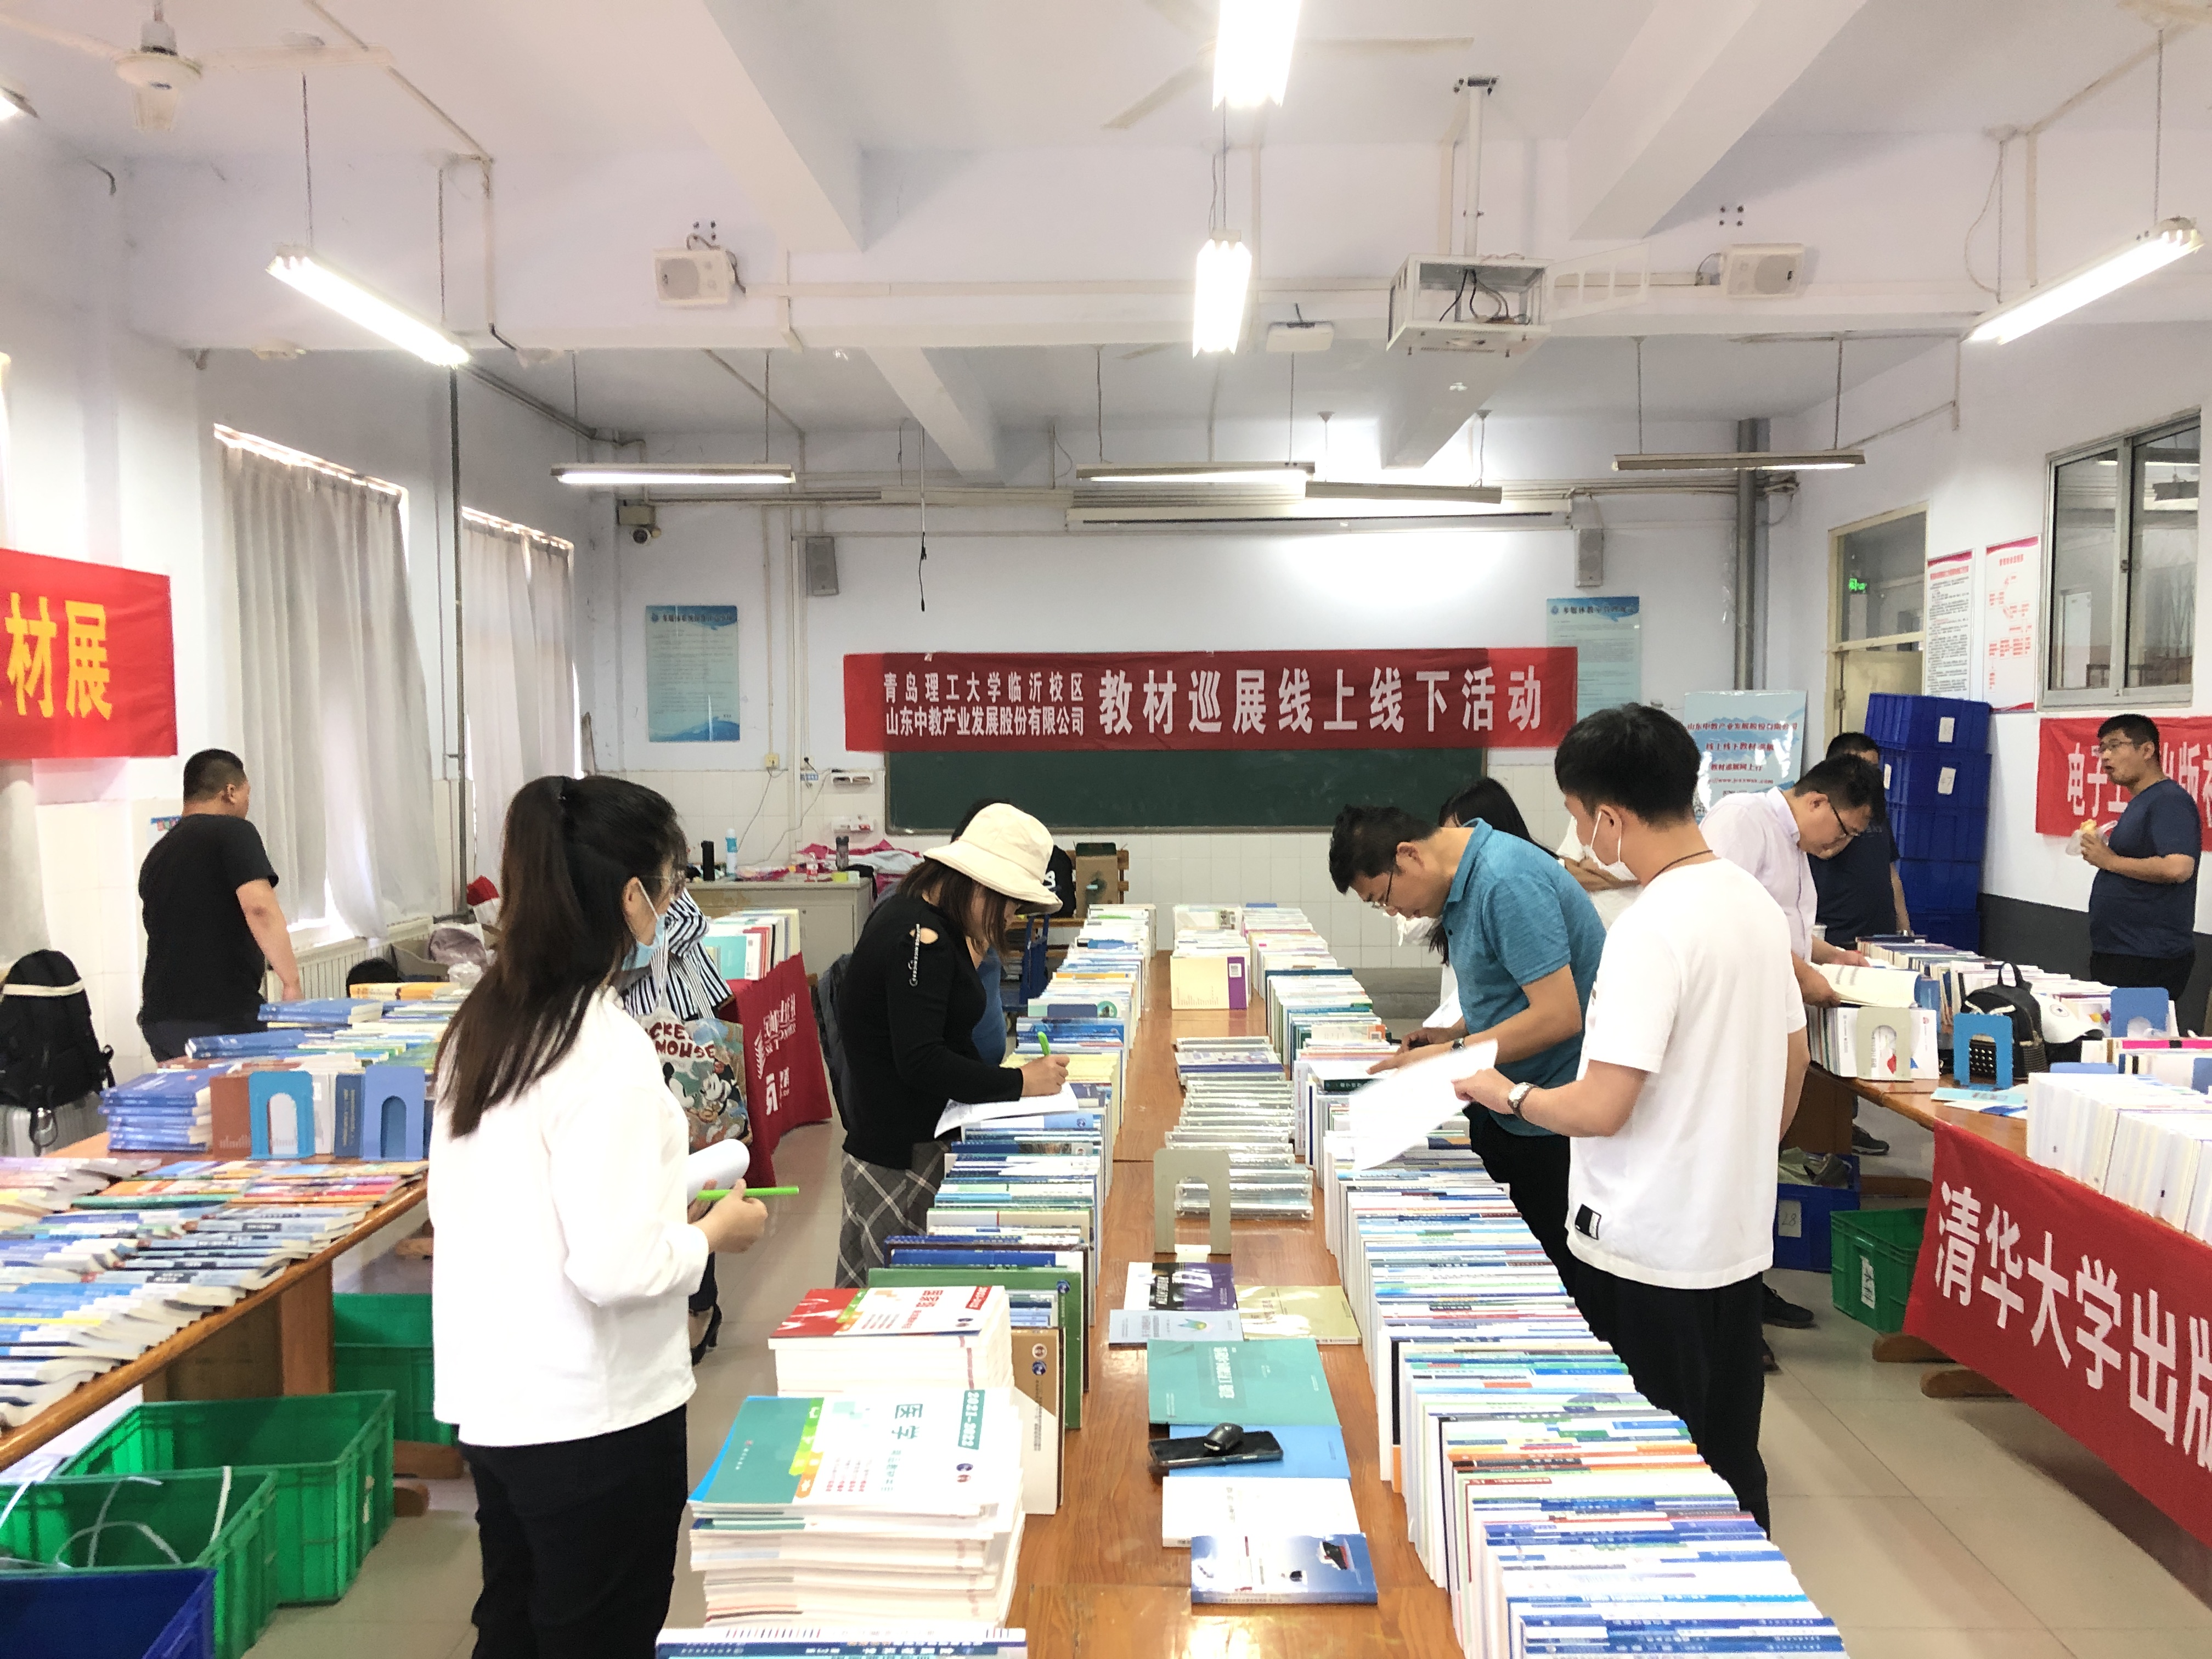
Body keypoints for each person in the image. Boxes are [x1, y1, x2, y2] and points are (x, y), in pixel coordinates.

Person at [430, 775, 769, 1658]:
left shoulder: (488, 1022)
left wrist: (667, 1187)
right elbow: (615, 1267)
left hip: (498, 1401)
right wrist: (713, 1234)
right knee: (599, 1631)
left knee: (515, 1621)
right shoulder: (602, 1046)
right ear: (630, 899)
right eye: (670, 884)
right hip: (594, 1416)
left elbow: (519, 1202)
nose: (674, 902)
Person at [1455, 704, 1808, 1532]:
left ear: (1609, 818)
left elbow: (1602, 1107)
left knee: (1650, 1473)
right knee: (1728, 1454)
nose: (1579, 839)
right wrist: (1738, 1157)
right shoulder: (1753, 903)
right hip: (1733, 1236)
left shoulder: (1651, 927)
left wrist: (1503, 1092)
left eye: (1578, 819)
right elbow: (1794, 1059)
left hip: (1645, 1247)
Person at [1328, 798, 1606, 1291]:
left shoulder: (1504, 882)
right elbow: (1509, 985)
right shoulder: (1463, 880)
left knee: (1548, 1282)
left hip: (1551, 1119)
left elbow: (1560, 1015)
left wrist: (1452, 1055)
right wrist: (1453, 1033)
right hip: (1505, 1100)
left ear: (1409, 855)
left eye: (1383, 898)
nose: (1394, 912)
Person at [834, 803, 1069, 1288]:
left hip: (901, 1142)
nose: (1010, 918)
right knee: (898, 1299)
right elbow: (921, 1060)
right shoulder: (921, 938)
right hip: (901, 1160)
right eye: (1010, 903)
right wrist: (1020, 1083)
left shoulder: (912, 914)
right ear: (979, 885)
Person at [1700, 752, 1878, 1331]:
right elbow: (1720, 919)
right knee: (1729, 1167)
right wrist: (1803, 976)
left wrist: (1834, 957)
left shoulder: (1795, 844)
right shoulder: (1743, 820)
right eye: (1844, 831)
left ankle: (1748, 1289)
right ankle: (1726, 1309)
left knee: (1753, 1170)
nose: (1841, 846)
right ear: (1817, 800)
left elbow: (1787, 930)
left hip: (1771, 1021)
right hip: (1735, 1024)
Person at [617, 887, 749, 1363]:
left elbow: (692, 924)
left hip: (678, 1034)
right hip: (633, 1034)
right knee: (650, 1177)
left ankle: (700, 1305)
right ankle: (684, 1303)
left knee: (692, 1171)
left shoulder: (653, 885)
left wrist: (639, 947)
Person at [137, 749, 302, 1062]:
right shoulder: (234, 832)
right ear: (230, 792)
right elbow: (260, 908)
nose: (247, 805)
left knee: (191, 1096)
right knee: (240, 1095)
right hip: (221, 1016)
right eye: (247, 794)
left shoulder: (158, 854)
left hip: (161, 1019)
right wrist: (291, 984)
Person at [1807, 732, 1908, 1158]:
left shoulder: (1876, 818)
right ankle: (1829, 1129)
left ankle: (1848, 1123)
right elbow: (1824, 852)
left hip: (1877, 938)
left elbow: (1891, 874)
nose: (1869, 776)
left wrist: (1904, 931)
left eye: (1874, 768)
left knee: (1867, 1040)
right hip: (1834, 937)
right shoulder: (1825, 820)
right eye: (1859, 767)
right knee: (1830, 1040)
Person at [2079, 713, 2203, 1029]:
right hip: (2122, 950)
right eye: (2102, 748)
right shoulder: (2142, 801)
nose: (2105, 756)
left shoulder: (2169, 801)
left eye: (2115, 746)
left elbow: (2179, 867)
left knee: (2134, 1044)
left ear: (2147, 750)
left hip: (2148, 956)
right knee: (2112, 1040)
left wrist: (2109, 861)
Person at [1399, 778, 1537, 1050]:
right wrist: (1455, 1034)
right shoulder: (1460, 891)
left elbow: (1542, 1012)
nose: (1449, 856)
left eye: (1460, 843)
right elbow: (1492, 999)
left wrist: (1457, 1046)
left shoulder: (1509, 886)